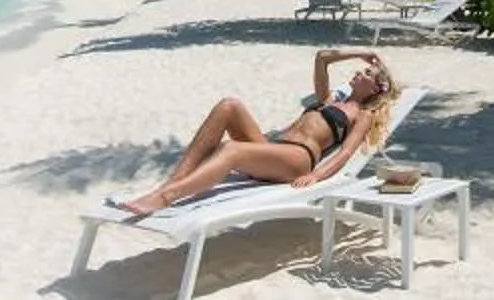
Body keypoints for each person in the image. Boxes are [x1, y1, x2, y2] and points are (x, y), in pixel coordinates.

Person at [109, 48, 396, 218]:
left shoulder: (363, 115)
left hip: (297, 160)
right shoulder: (331, 98)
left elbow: (345, 153)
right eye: (361, 70)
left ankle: (166, 197)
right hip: (275, 148)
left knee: (231, 150)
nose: (360, 73)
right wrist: (359, 52)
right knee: (229, 106)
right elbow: (321, 58)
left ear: (375, 89)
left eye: (368, 75)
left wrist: (316, 175)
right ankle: (169, 184)